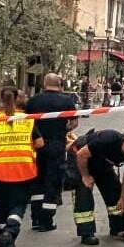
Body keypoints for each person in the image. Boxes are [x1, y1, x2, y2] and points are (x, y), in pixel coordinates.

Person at [0, 85, 42, 247]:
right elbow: (40, 143)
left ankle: (1, 235)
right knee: (19, 204)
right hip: (23, 169)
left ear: (0, 99)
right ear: (17, 98)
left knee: (2, 204)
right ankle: (11, 230)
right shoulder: (27, 119)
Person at [72, 129, 124, 245]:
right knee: (84, 196)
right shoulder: (108, 139)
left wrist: (122, 198)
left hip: (103, 165)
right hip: (83, 162)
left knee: (114, 192)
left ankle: (119, 228)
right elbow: (81, 154)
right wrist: (85, 176)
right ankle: (86, 233)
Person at [25, 73, 77, 232]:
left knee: (37, 181)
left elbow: (26, 121)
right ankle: (46, 220)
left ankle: (35, 218)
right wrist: (62, 128)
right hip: (56, 144)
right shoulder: (67, 101)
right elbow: (73, 123)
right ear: (60, 84)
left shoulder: (33, 101)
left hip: (37, 145)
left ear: (44, 83)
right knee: (52, 181)